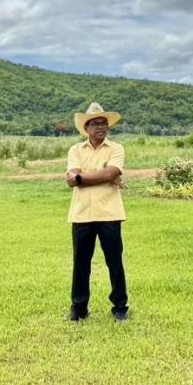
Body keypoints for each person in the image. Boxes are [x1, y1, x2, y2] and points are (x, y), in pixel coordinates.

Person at [65, 102, 129, 322]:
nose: (101, 127)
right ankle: (79, 309)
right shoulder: (75, 150)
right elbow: (72, 181)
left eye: (104, 123)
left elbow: (110, 172)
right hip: (82, 214)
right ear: (86, 128)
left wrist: (84, 177)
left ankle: (120, 307)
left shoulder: (116, 149)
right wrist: (100, 175)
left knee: (114, 262)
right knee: (80, 263)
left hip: (109, 214)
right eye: (95, 124)